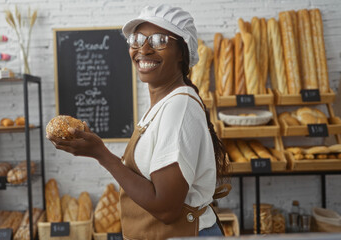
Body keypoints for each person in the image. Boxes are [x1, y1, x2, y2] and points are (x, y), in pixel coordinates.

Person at [47, 4, 230, 239]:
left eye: (159, 40)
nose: (143, 49)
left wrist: (102, 154)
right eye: (137, 39)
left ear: (182, 52)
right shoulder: (163, 103)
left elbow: (166, 208)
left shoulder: (178, 107)